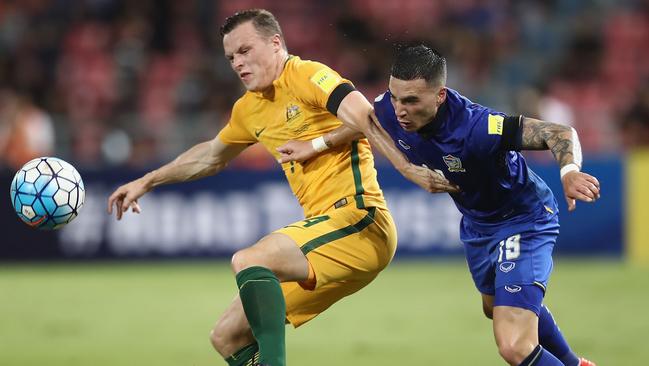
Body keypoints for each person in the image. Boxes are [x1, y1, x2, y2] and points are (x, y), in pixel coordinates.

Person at [107, 10, 453, 366]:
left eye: (245, 50)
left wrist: (406, 168)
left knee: (250, 260)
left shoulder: (304, 75)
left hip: (360, 221)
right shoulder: (248, 109)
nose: (238, 63)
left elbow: (366, 113)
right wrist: (147, 180)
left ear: (275, 44)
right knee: (227, 336)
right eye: (230, 57)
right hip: (325, 234)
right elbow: (211, 155)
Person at [277, 45, 599, 366]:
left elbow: (558, 132)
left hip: (522, 220)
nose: (400, 109)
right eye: (395, 97)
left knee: (514, 345)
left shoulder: (478, 127)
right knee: (495, 307)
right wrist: (315, 145)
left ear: (440, 96)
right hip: (478, 226)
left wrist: (569, 172)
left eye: (412, 100)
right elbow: (368, 123)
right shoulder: (391, 110)